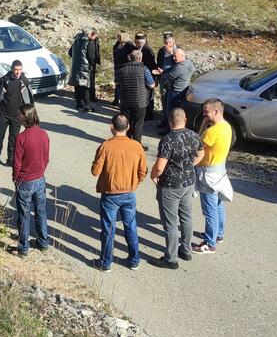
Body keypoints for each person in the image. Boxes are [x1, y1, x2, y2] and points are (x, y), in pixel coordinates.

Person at [91, 113, 147, 271]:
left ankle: (106, 262)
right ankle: (134, 259)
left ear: (111, 127)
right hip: (129, 192)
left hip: (110, 194)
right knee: (131, 226)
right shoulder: (137, 146)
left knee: (108, 228)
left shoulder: (105, 146)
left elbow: (95, 171)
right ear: (128, 127)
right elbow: (143, 171)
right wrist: (134, 183)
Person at [149, 108, 203, 268]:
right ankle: (185, 250)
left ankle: (170, 258)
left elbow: (160, 166)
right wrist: (189, 166)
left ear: (170, 121)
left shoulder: (168, 140)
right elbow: (201, 153)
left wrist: (153, 175)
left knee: (170, 222)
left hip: (171, 185)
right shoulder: (194, 135)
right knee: (186, 216)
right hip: (188, 182)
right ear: (185, 119)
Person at [193, 98, 234, 254]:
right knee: (218, 205)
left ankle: (209, 244)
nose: (204, 114)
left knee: (209, 209)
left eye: (206, 111)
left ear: (216, 111)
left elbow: (197, 145)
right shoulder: (226, 127)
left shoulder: (212, 132)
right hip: (220, 171)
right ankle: (219, 234)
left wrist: (203, 126)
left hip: (208, 173)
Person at [12, 104, 51, 256]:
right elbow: (46, 157)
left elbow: (17, 163)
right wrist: (40, 170)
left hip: (25, 181)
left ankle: (23, 247)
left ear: (25, 116)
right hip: (40, 179)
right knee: (41, 211)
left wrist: (16, 179)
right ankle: (43, 242)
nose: (17, 116)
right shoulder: (44, 134)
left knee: (24, 214)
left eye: (19, 114)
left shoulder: (21, 138)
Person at [0, 60, 34, 166]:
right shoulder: (4, 80)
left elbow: (29, 98)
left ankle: (11, 159)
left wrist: (28, 114)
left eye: (19, 70)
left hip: (17, 116)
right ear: (12, 69)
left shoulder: (24, 81)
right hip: (3, 114)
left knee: (13, 139)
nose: (17, 72)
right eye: (15, 70)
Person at [116, 50, 156, 144]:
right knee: (138, 124)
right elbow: (151, 85)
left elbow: (117, 83)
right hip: (140, 101)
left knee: (126, 123)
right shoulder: (144, 69)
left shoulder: (121, 69)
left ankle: (125, 142)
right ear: (140, 58)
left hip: (125, 100)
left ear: (130, 57)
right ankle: (137, 144)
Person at [157, 48, 196, 134]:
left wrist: (161, 75)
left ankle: (169, 130)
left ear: (182, 56)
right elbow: (172, 68)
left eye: (175, 56)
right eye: (173, 56)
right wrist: (164, 71)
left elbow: (170, 76)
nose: (173, 58)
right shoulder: (187, 62)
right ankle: (168, 125)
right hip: (181, 89)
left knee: (170, 111)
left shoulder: (180, 67)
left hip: (175, 91)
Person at [68, 29, 96, 112]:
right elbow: (91, 57)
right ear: (88, 34)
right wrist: (92, 65)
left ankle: (78, 104)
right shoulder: (88, 42)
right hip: (85, 67)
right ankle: (87, 106)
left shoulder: (76, 41)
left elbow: (70, 53)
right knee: (85, 86)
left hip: (76, 67)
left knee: (77, 86)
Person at [134, 33, 158, 120]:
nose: (137, 44)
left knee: (149, 95)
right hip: (142, 75)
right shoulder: (138, 49)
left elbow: (151, 65)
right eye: (136, 42)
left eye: (138, 43)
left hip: (148, 75)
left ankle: (149, 114)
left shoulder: (147, 51)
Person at [154, 32, 177, 120]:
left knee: (170, 103)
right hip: (163, 78)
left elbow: (180, 64)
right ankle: (164, 120)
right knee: (163, 100)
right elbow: (159, 64)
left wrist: (171, 53)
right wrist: (157, 78)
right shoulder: (161, 51)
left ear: (173, 41)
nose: (168, 44)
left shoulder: (178, 50)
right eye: (166, 42)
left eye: (170, 42)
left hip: (173, 79)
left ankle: (171, 122)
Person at [111, 31, 136, 106]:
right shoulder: (117, 44)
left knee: (124, 86)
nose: (117, 37)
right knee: (117, 83)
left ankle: (123, 102)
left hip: (125, 68)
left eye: (119, 36)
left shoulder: (129, 45)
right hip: (117, 66)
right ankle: (116, 99)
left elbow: (133, 55)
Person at [89, 29, 102, 103]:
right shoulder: (90, 42)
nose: (97, 36)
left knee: (92, 80)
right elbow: (91, 54)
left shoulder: (95, 40)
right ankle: (91, 97)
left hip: (93, 63)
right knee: (90, 80)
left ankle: (92, 96)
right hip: (90, 64)